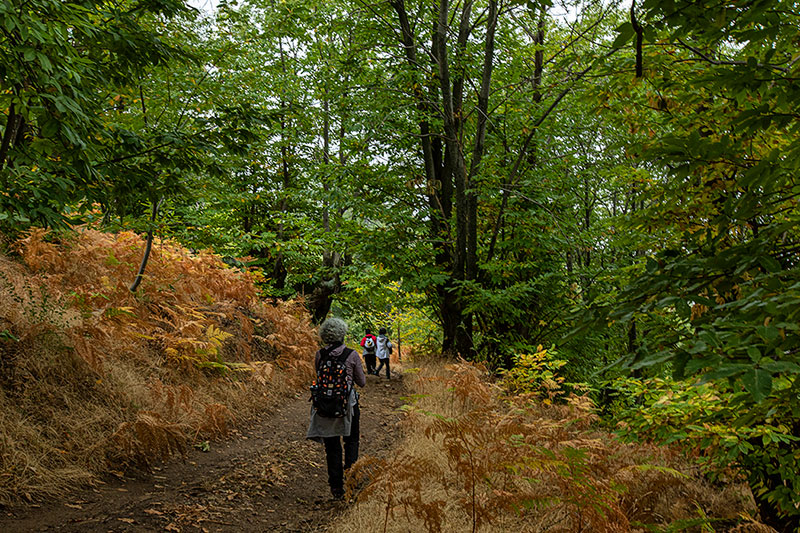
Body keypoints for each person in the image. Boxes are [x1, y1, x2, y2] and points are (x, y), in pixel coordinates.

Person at [306, 317, 366, 499]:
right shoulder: (352, 355)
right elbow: (361, 382)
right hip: (347, 406)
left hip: (325, 405)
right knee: (351, 442)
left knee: (332, 447)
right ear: (343, 334)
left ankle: (336, 488)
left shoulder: (319, 355)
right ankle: (351, 480)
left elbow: (319, 375)